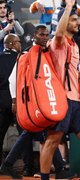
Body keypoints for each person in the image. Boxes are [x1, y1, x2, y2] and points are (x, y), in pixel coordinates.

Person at [0, 25, 75, 179]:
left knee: (42, 134)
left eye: (47, 34)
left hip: (45, 100)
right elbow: (12, 79)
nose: (45, 37)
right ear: (34, 35)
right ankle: (59, 168)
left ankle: (8, 164)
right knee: (45, 133)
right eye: (42, 34)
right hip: (32, 103)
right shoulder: (26, 54)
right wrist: (15, 101)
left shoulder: (48, 53)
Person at [39, 0, 80, 179]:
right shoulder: (58, 43)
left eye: (77, 20)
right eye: (73, 20)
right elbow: (58, 33)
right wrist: (67, 7)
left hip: (75, 102)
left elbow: (74, 75)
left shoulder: (74, 45)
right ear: (65, 22)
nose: (78, 23)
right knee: (52, 141)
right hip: (61, 101)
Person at [0, 34, 20, 176]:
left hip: (1, 103)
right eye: (18, 42)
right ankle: (29, 167)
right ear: (12, 44)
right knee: (25, 135)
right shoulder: (20, 59)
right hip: (18, 103)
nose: (20, 45)